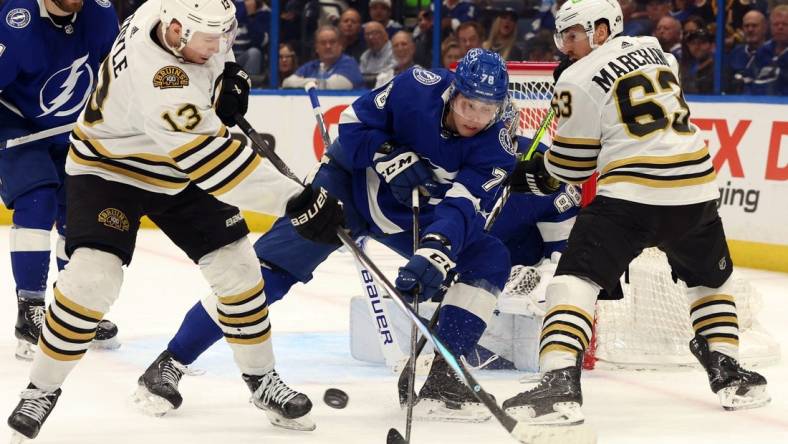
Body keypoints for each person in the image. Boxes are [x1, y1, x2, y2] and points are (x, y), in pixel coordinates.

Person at [6, 0, 345, 440]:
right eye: (209, 39)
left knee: (240, 271)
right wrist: (297, 199)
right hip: (110, 169)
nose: (220, 43)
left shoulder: (174, 12)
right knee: (92, 279)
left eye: (224, 34)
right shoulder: (162, 77)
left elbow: (216, 55)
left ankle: (262, 381)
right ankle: (41, 389)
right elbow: (212, 161)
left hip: (174, 167)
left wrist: (226, 75)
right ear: (178, 31)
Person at [137, 48, 516, 423]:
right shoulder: (415, 87)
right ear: (453, 93)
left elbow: (463, 207)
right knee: (266, 276)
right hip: (345, 191)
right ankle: (171, 360)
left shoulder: (497, 146)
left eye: (488, 110)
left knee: (488, 257)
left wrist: (437, 249)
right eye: (469, 105)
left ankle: (443, 385)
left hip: (407, 216)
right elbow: (351, 125)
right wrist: (386, 153)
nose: (476, 118)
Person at [501, 0, 769, 426]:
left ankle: (558, 382)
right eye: (563, 36)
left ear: (602, 30)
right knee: (710, 279)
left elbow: (572, 167)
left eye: (573, 35)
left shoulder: (577, 76)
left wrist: (533, 176)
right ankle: (728, 370)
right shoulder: (660, 51)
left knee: (574, 280)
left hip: (632, 195)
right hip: (697, 188)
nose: (566, 46)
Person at [0, 0, 121, 362]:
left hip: (74, 128)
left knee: (82, 217)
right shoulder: (13, 20)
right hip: (17, 125)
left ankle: (72, 308)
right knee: (37, 200)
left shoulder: (99, 12)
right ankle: (31, 310)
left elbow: (117, 75)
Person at [282, 25, 364, 89]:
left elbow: (332, 86)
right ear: (316, 48)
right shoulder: (312, 66)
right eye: (323, 43)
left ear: (340, 45)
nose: (328, 46)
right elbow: (287, 83)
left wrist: (304, 82)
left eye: (332, 42)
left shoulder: (349, 63)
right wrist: (316, 82)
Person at [726, 9, 768, 94]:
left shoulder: (773, 54)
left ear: (765, 28)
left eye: (754, 26)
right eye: (746, 26)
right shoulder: (735, 54)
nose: (750, 29)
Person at [749, 4, 788, 95]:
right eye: (776, 24)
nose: (780, 27)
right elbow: (751, 79)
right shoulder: (763, 51)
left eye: (785, 24)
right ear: (770, 27)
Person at [232, 0, 269, 78]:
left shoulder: (264, 13)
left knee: (254, 53)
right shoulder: (228, 9)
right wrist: (243, 9)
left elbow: (261, 41)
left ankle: (246, 87)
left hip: (244, 58)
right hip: (226, 57)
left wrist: (251, 17)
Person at [359, 21, 395, 88]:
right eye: (367, 34)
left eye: (375, 33)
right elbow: (361, 79)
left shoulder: (395, 50)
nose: (370, 37)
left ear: (386, 35)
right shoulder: (365, 56)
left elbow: (389, 75)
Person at [681, 28, 715, 93]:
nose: (696, 47)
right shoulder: (683, 66)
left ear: (712, 45)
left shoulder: (718, 69)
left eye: (702, 43)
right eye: (693, 43)